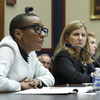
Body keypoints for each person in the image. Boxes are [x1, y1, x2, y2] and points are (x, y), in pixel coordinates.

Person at [0, 13, 55, 92]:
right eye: (37, 28)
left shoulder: (31, 54)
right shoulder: (7, 50)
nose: (43, 34)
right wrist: (20, 85)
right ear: (18, 33)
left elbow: (50, 77)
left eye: (42, 30)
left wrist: (36, 81)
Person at [52, 20, 95, 85]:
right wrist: (94, 78)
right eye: (76, 34)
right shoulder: (62, 55)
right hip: (64, 94)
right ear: (67, 38)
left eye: (83, 35)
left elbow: (94, 73)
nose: (80, 38)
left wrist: (95, 76)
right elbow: (75, 77)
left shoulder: (83, 56)